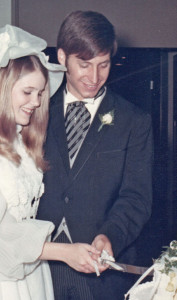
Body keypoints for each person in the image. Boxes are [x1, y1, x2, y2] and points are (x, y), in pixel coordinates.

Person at [0, 25, 102, 300]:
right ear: (1, 89)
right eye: (27, 92)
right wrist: (64, 252)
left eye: (40, 93)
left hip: (29, 264)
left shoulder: (20, 141)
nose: (36, 102)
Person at [37, 10, 153, 300]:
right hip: (38, 268)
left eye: (103, 65)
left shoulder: (134, 120)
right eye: (84, 64)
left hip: (99, 276)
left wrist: (110, 235)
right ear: (62, 57)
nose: (94, 77)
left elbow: (136, 197)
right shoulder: (35, 110)